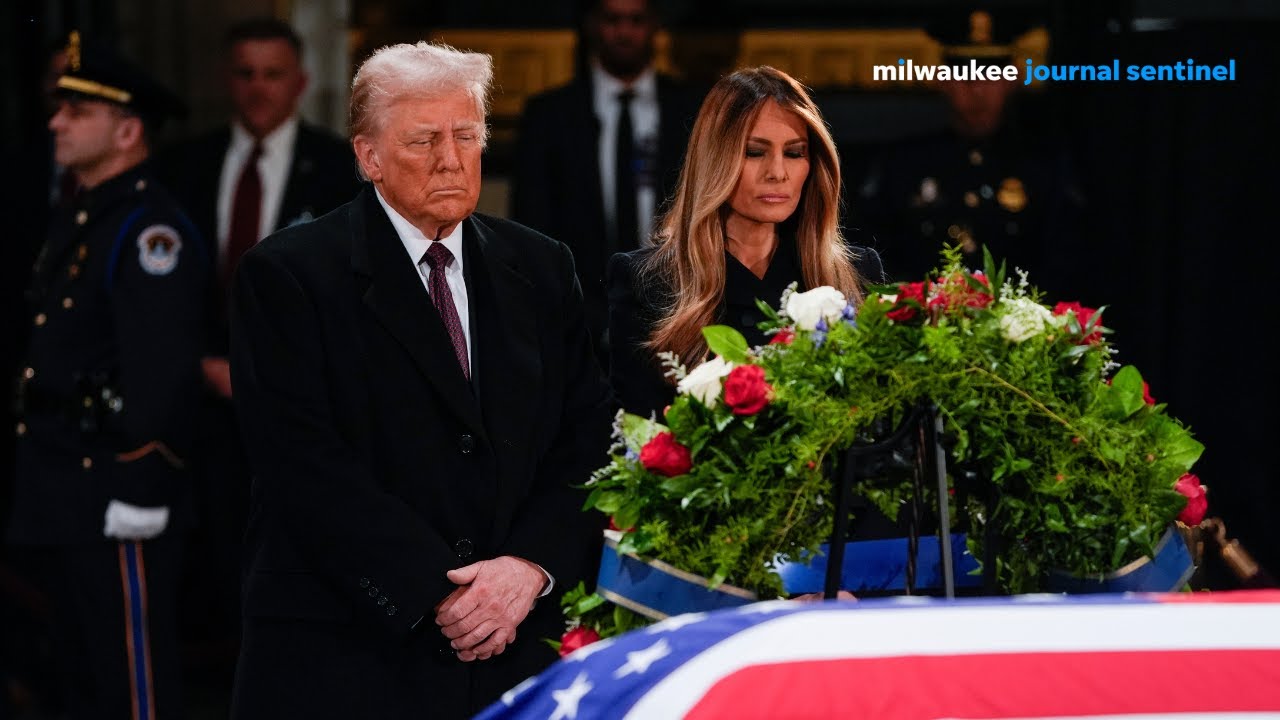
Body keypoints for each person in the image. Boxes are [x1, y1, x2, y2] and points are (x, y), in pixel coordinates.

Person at [227, 41, 614, 719]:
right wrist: (442, 591)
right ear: (367, 157)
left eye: (467, 135)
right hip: (351, 653)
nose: (450, 158)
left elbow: (587, 439)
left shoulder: (543, 266)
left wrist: (528, 568)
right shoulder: (289, 276)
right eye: (424, 139)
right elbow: (303, 467)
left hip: (513, 644)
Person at [152, 16, 361, 674]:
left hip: (296, 400)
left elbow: (345, 296)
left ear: (300, 82)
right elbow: (169, 289)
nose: (258, 88)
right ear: (227, 79)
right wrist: (204, 364)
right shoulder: (186, 163)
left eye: (273, 74)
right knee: (213, 554)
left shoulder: (337, 168)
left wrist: (267, 374)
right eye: (245, 73)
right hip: (203, 394)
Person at [7, 32, 206, 720]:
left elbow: (162, 369)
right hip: (63, 482)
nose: (56, 121)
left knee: (132, 683)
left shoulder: (150, 229)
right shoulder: (82, 215)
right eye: (59, 107)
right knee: (78, 676)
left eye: (76, 111)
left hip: (117, 490)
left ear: (126, 130)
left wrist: (142, 482)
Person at [608, 66, 885, 418]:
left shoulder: (856, 274)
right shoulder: (649, 280)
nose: (778, 172)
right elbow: (638, 442)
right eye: (755, 152)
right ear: (715, 160)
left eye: (794, 153)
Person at [511, 0, 704, 362]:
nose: (624, 32)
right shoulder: (550, 115)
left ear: (654, 26)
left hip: (678, 312)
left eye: (636, 20)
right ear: (592, 25)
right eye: (613, 20)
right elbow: (531, 225)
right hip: (575, 322)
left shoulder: (691, 109)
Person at [855, 9, 1083, 296]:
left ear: (1012, 79)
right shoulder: (901, 165)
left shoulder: (1044, 167)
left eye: (991, 75)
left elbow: (1065, 266)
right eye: (964, 75)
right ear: (942, 79)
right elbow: (874, 259)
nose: (977, 91)